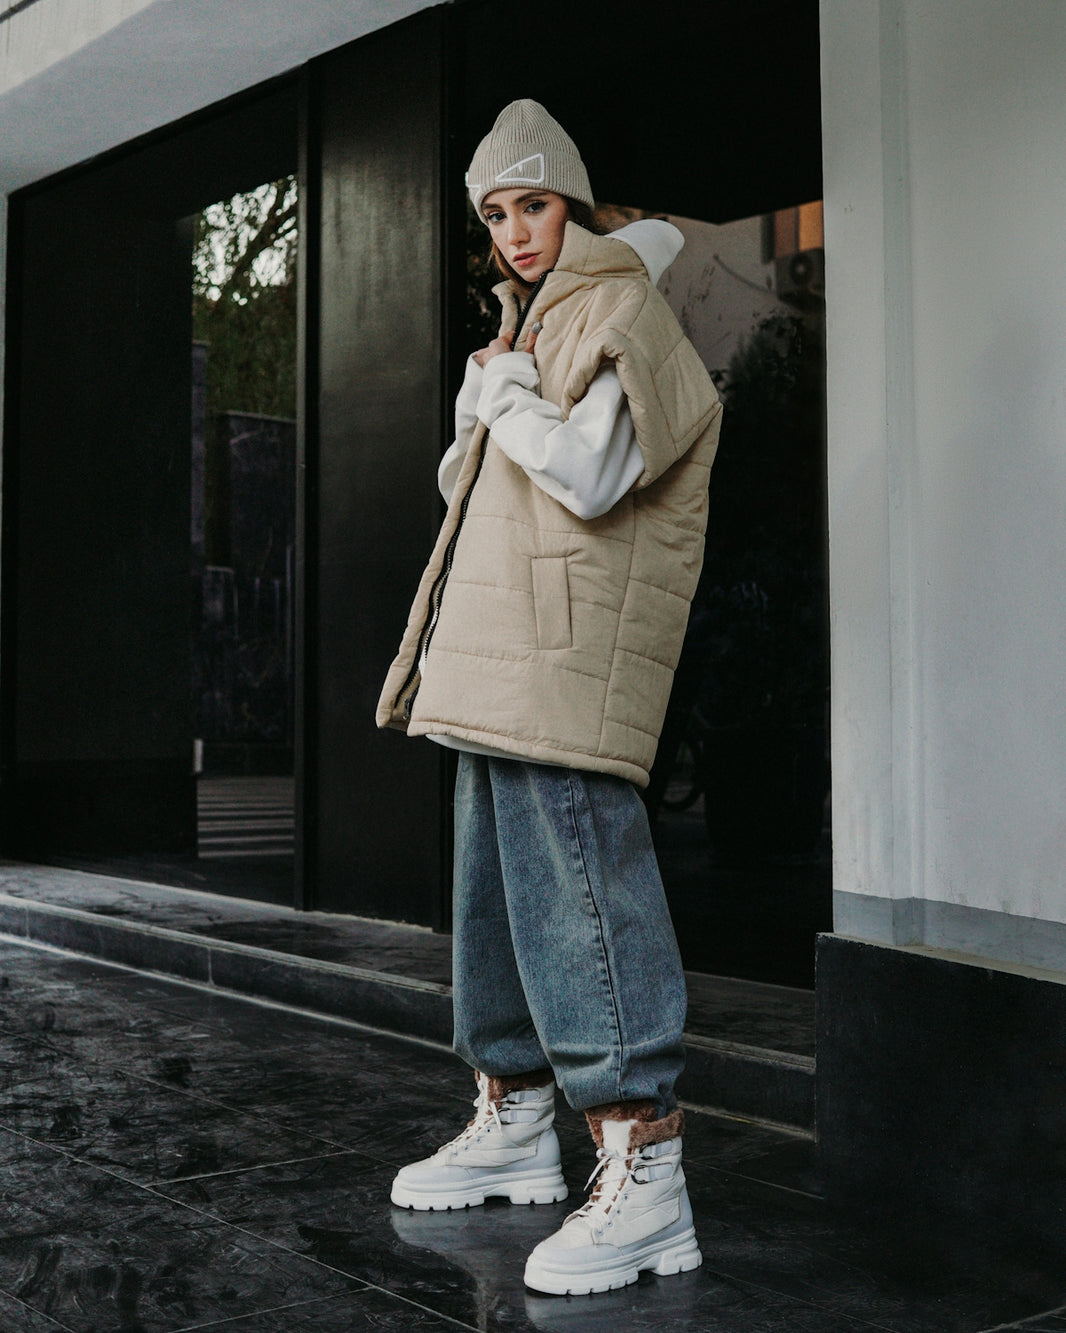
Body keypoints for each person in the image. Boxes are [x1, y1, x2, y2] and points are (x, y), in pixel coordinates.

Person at [376, 99, 723, 1297]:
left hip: (566, 654)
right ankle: (515, 1115)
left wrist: (509, 395)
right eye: (495, 214)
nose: (514, 233)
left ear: (570, 202)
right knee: (495, 887)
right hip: (499, 646)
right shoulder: (529, 323)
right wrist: (490, 400)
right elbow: (475, 485)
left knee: (582, 880)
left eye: (530, 204)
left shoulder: (625, 306)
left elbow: (589, 473)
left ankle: (644, 1164)